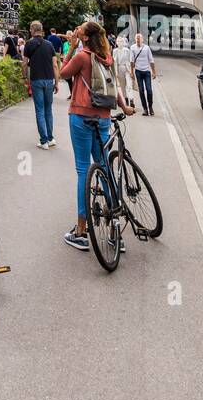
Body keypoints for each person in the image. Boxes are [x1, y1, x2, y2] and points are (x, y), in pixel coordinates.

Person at [58, 21, 135, 250]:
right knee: (103, 167)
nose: (77, 29)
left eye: (80, 28)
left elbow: (63, 74)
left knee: (83, 170)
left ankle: (81, 231)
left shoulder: (82, 56)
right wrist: (124, 107)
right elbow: (115, 87)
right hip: (102, 117)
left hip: (81, 117)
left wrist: (71, 47)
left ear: (84, 36)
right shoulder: (107, 57)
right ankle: (115, 230)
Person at [23, 20, 61, 148]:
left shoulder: (28, 45)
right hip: (49, 80)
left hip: (36, 80)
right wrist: (56, 82)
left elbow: (24, 64)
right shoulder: (50, 45)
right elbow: (55, 65)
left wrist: (24, 78)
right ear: (42, 29)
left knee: (39, 110)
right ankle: (50, 138)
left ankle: (43, 141)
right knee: (48, 110)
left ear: (32, 30)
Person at [131, 33, 157, 116]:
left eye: (139, 38)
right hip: (138, 71)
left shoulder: (146, 48)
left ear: (142, 39)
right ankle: (145, 109)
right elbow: (131, 61)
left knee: (149, 90)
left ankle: (150, 107)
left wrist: (154, 72)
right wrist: (132, 72)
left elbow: (151, 60)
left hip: (146, 71)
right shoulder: (133, 48)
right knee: (141, 91)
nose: (138, 40)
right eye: (137, 38)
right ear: (135, 40)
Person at [113, 33, 134, 107]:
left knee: (129, 85)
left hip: (126, 69)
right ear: (116, 43)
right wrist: (115, 73)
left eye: (121, 41)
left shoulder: (127, 50)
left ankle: (131, 99)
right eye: (118, 41)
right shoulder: (115, 51)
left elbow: (130, 61)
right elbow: (114, 62)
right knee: (122, 85)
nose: (119, 43)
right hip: (119, 69)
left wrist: (131, 71)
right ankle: (125, 99)